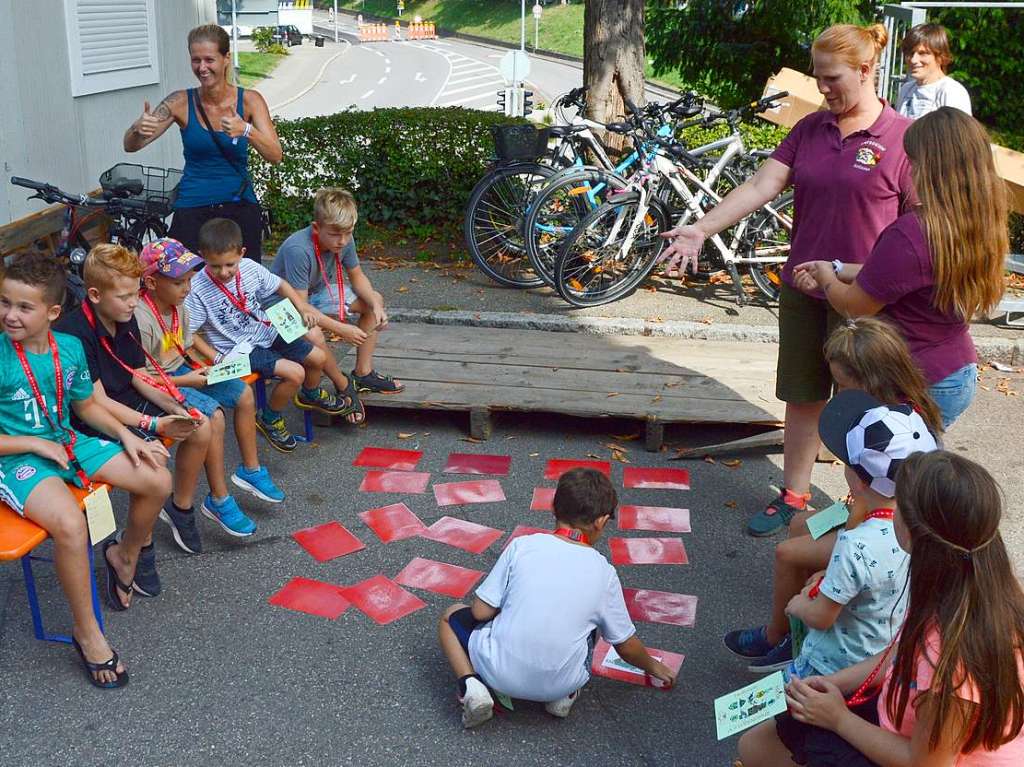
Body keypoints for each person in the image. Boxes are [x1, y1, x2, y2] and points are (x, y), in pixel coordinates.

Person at [660, 23, 915, 537]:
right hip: (804, 288)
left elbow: (920, 227)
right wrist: (701, 229)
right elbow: (762, 183)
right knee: (802, 396)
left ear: (866, 71)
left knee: (866, 405)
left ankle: (865, 507)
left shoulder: (902, 138)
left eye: (832, 78)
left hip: (865, 302)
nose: (822, 88)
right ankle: (794, 497)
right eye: (818, 77)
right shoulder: (811, 130)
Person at [738, 451, 1024, 766]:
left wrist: (839, 719)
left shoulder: (951, 658)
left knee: (783, 745)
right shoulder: (962, 582)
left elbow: (926, 764)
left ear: (913, 534)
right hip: (903, 721)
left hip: (920, 753)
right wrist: (837, 682)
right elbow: (900, 652)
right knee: (757, 744)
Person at [725, 319, 943, 673]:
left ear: (869, 378)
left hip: (884, 523)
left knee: (787, 551)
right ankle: (822, 598)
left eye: (842, 383)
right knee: (799, 524)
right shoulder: (897, 406)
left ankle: (779, 637)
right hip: (869, 507)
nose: (837, 392)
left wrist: (842, 544)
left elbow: (876, 510)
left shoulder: (899, 424)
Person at [0, 254, 172, 688]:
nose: (10, 315)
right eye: (4, 303)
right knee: (72, 526)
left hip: (65, 441)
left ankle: (124, 555)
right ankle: (88, 633)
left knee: (156, 478)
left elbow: (87, 406)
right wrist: (32, 443)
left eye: (24, 307)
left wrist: (127, 435)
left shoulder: (70, 348)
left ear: (53, 312)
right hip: (15, 458)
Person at [793, 107, 1008, 428]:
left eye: (915, 162)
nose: (910, 170)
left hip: (915, 378)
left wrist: (826, 279)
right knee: (912, 471)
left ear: (932, 168)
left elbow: (855, 306)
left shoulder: (912, 232)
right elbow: (901, 276)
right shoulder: (975, 222)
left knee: (881, 472)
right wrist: (838, 267)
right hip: (955, 370)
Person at [438, 468, 676, 728]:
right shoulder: (605, 572)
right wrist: (653, 667)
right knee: (592, 626)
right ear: (602, 521)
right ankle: (564, 697)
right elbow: (625, 644)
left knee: (450, 617)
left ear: (553, 506)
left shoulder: (523, 546)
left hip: (495, 674)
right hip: (560, 682)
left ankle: (471, 685)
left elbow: (480, 612)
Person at [55, 243, 218, 596]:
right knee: (156, 456)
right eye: (126, 296)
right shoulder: (74, 334)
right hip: (96, 417)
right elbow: (95, 404)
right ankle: (137, 546)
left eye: (136, 293)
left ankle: (181, 507)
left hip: (123, 400)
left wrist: (175, 406)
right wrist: (152, 427)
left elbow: (137, 375)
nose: (134, 302)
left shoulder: (124, 318)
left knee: (199, 425)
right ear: (95, 295)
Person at [135, 238, 286, 554]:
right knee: (213, 417)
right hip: (162, 383)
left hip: (185, 370)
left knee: (243, 393)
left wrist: (215, 365)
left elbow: (185, 344)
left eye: (190, 280)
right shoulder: (141, 317)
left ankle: (250, 470)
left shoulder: (178, 306)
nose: (187, 288)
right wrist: (189, 377)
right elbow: (140, 375)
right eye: (179, 282)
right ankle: (218, 498)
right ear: (150, 282)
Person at [122, 24, 282, 263]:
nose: (202, 68)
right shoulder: (179, 102)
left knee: (243, 280)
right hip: (193, 205)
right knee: (183, 281)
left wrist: (246, 130)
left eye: (209, 59)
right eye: (196, 60)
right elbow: (131, 145)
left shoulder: (250, 101)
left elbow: (275, 154)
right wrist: (137, 128)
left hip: (238, 205)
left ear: (226, 58)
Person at [185, 217, 347, 452]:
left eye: (230, 264)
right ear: (202, 256)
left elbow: (280, 284)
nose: (223, 272)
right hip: (238, 349)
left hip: (266, 330)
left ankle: (310, 395)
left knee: (319, 358)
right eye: (215, 266)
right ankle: (269, 419)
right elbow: (189, 333)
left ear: (241, 253)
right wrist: (216, 357)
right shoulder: (198, 288)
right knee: (295, 373)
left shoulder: (249, 267)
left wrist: (301, 307)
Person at [271, 188, 403, 420]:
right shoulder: (298, 250)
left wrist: (376, 306)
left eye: (347, 233)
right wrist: (342, 329)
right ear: (316, 228)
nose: (342, 241)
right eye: (334, 234)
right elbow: (302, 308)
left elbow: (357, 276)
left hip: (315, 292)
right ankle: (343, 385)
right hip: (282, 303)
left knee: (374, 300)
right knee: (314, 335)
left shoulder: (344, 238)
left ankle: (363, 373)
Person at [895, 23, 971, 119]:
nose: (913, 60)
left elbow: (959, 133)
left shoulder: (951, 92)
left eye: (922, 53)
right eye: (910, 53)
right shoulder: (906, 89)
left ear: (940, 57)